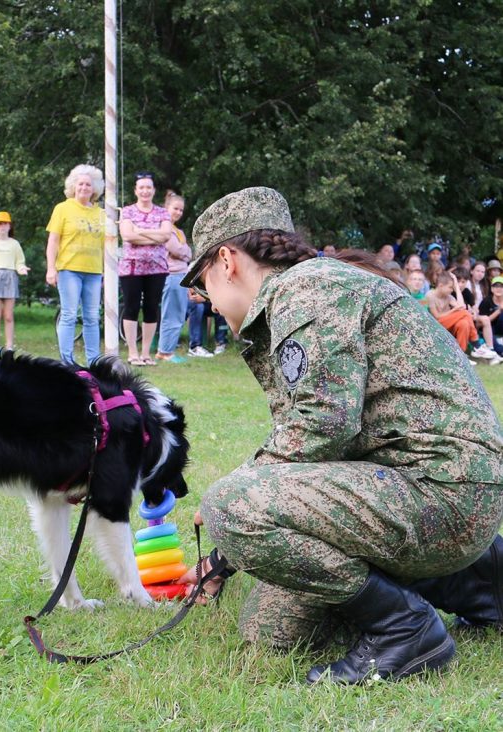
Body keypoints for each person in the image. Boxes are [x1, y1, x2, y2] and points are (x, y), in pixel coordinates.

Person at [177, 186, 503, 685]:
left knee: (227, 505)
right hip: (426, 487)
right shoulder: (306, 293)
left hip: (439, 491)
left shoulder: (305, 290)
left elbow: (323, 424)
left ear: (227, 261)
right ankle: (482, 580)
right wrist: (232, 548)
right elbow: (318, 444)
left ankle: (406, 629)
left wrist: (239, 503)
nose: (210, 303)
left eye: (202, 286)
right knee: (271, 632)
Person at [45, 164, 106, 365]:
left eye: (88, 184)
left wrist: (107, 272)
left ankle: (93, 361)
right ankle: (67, 361)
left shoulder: (101, 213)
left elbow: (107, 245)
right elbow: (53, 240)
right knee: (69, 314)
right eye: (80, 184)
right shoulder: (62, 208)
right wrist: (51, 268)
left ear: (94, 188)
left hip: (94, 271)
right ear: (73, 186)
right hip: (69, 269)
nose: (84, 188)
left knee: (92, 317)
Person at [118, 171, 171, 366]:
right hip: (131, 267)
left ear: (154, 190)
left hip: (157, 268)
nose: (145, 191)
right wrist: (153, 234)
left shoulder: (162, 212)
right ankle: (132, 352)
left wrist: (140, 230)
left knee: (151, 308)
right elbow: (127, 236)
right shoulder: (128, 211)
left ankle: (146, 353)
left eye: (148, 187)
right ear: (136, 190)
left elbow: (166, 236)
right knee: (131, 307)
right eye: (141, 187)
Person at [0, 211, 30, 355]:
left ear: (10, 226)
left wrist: (22, 269)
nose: (2, 227)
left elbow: (19, 262)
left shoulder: (15, 244)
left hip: (10, 277)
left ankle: (9, 346)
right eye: (0, 224)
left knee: (8, 315)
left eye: (5, 223)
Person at [156, 191, 191, 363]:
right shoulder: (164, 227)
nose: (178, 212)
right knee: (172, 314)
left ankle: (166, 350)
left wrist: (184, 251)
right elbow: (177, 250)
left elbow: (186, 252)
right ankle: (165, 352)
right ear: (166, 208)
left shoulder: (178, 231)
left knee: (178, 314)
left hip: (181, 275)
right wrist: (185, 251)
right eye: (175, 208)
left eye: (181, 210)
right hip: (172, 275)